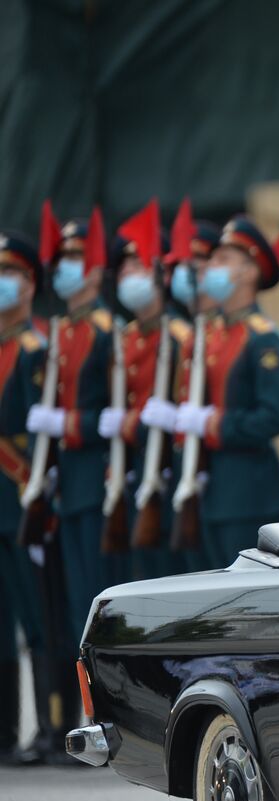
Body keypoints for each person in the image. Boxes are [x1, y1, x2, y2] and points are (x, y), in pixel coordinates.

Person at [166, 218, 279, 565]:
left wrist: (213, 424)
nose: (211, 268)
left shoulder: (261, 336)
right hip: (209, 490)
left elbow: (277, 416)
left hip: (248, 492)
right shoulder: (210, 333)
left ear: (250, 272)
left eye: (223, 260)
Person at [25, 218, 120, 639]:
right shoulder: (62, 331)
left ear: (96, 269)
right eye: (60, 259)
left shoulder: (106, 332)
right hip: (67, 483)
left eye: (75, 258)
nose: (64, 267)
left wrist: (67, 423)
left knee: (101, 601)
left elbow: (113, 415)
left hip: (98, 482)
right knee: (77, 603)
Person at [101, 226, 193, 580]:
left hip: (169, 469)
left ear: (162, 274)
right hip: (135, 469)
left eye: (137, 267)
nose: (128, 277)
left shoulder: (179, 336)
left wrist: (136, 423)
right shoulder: (124, 339)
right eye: (123, 271)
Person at [0, 233, 50, 765]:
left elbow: (39, 436)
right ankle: (5, 728)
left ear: (29, 282)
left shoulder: (35, 351)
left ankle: (50, 723)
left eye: (10, 271)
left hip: (21, 494)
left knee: (36, 617)